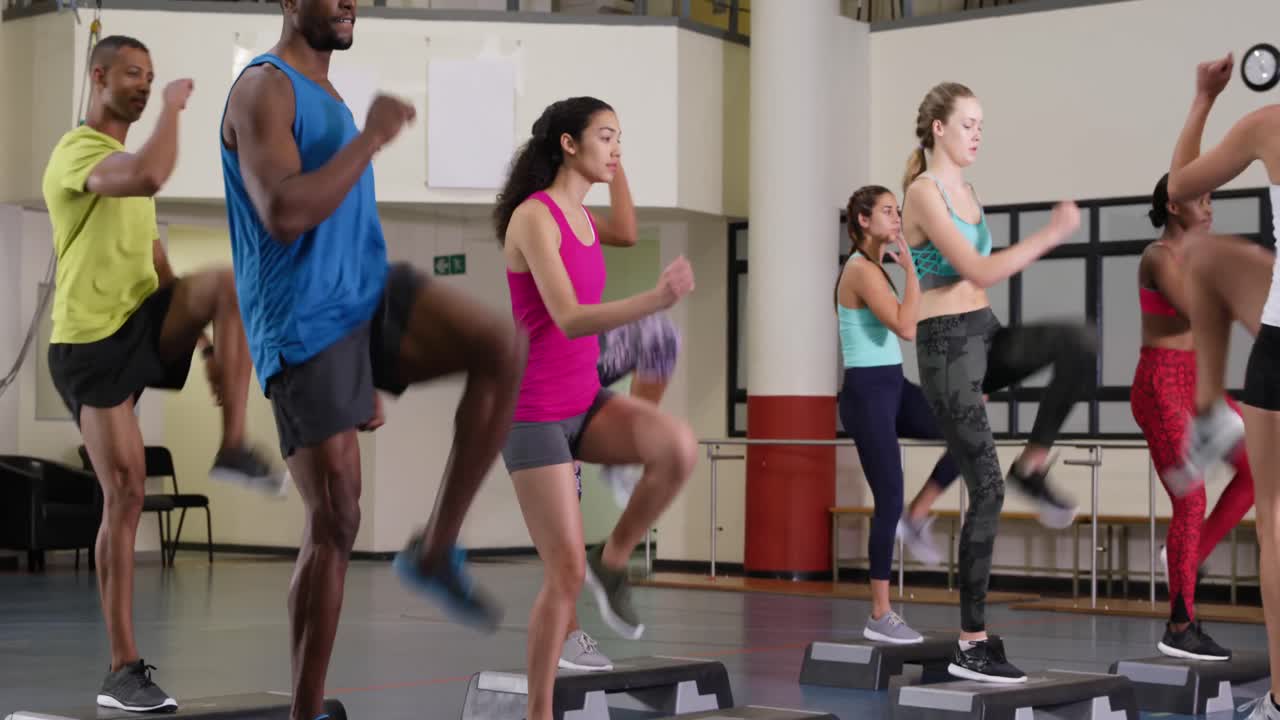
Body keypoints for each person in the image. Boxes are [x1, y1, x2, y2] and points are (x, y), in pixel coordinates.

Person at [219, 2, 527, 719]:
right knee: (337, 519)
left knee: (501, 346)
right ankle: (305, 711)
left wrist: (365, 366)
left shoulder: (326, 93)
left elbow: (344, 220)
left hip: (363, 300)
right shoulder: (263, 87)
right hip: (302, 322)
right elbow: (284, 213)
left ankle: (435, 548)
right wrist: (372, 138)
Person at [42, 34, 284, 713]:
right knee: (124, 494)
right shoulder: (78, 152)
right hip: (88, 344)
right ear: (98, 77)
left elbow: (156, 265)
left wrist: (201, 336)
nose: (146, 84)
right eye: (133, 73)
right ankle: (122, 670)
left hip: (140, 318)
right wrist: (176, 107)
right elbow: (148, 175)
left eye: (152, 76)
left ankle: (233, 444)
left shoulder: (130, 167)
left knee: (227, 285)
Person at [496, 96, 697, 720]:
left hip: (585, 401)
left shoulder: (583, 218)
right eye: (605, 137)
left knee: (677, 448)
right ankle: (538, 712)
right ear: (568, 144)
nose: (616, 149)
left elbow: (628, 228)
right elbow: (569, 317)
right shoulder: (534, 217)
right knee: (562, 574)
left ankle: (612, 560)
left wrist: (612, 162)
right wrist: (654, 299)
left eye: (619, 138)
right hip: (533, 415)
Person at [899, 81, 1096, 683]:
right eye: (968, 124)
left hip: (985, 333)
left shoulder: (969, 192)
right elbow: (978, 268)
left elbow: (980, 285)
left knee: (1078, 342)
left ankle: (1032, 465)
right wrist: (1052, 232)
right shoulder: (923, 192)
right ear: (939, 128)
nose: (978, 134)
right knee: (985, 489)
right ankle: (972, 644)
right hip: (946, 347)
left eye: (982, 125)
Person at [1167, 51, 1280, 720]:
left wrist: (1204, 97)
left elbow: (1180, 187)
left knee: (1276, 519)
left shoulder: (1269, 123)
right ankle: (1211, 414)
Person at [1130, 173, 1253, 661]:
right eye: (1202, 200)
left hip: (1198, 382)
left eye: (1211, 199)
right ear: (1175, 207)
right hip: (1160, 385)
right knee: (1191, 497)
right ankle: (1180, 627)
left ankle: (1189, 555)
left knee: (1260, 467)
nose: (1210, 208)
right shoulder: (1158, 256)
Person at [835, 184, 961, 644]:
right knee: (888, 497)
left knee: (965, 431)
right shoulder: (859, 270)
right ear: (863, 221)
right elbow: (906, 326)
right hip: (867, 394)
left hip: (893, 386)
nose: (896, 218)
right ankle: (880, 614)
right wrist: (910, 271)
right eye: (888, 211)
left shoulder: (877, 267)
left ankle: (918, 514)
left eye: (897, 211)